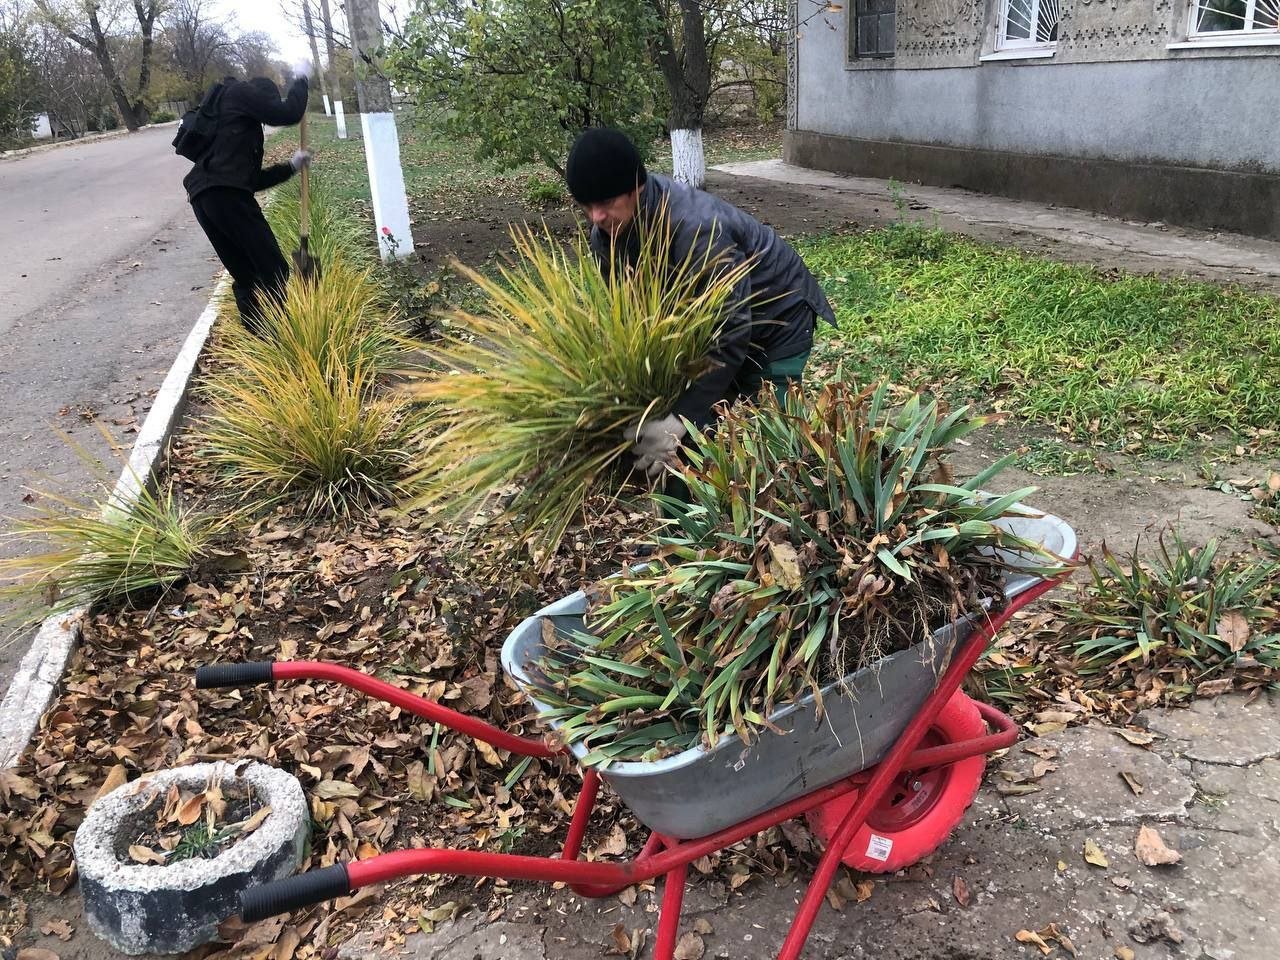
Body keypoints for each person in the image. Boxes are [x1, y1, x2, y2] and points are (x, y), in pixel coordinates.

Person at [564, 127, 835, 478]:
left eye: (606, 203)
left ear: (636, 189)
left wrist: (680, 418)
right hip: (707, 328)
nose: (596, 217)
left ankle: (783, 510)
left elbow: (735, 326)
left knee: (768, 438)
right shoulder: (606, 237)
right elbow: (630, 317)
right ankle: (688, 519)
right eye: (587, 206)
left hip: (778, 319)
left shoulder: (696, 228)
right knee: (690, 437)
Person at [183, 63, 312, 334]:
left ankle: (259, 337)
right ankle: (284, 333)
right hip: (226, 197)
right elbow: (288, 113)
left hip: (204, 200)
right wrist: (300, 80)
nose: (264, 119)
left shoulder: (233, 126)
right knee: (273, 266)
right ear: (262, 99)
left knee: (245, 273)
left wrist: (291, 166)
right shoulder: (241, 92)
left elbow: (250, 181)